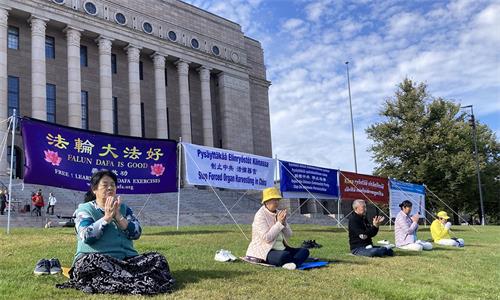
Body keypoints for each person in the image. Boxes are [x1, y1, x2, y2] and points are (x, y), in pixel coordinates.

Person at [56, 170, 175, 295]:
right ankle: (134, 279)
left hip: (125, 261)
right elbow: (87, 236)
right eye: (105, 185)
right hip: (98, 260)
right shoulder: (84, 209)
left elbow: (136, 233)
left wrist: (118, 217)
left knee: (157, 258)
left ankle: (126, 278)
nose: (110, 188)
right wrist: (106, 218)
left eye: (113, 185)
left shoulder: (124, 208)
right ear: (94, 189)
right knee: (91, 261)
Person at [245, 187, 309, 270]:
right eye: (273, 200)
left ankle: (292, 264)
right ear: (266, 202)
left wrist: (284, 222)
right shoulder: (260, 216)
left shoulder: (279, 213)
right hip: (266, 250)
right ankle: (292, 262)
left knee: (304, 251)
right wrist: (279, 223)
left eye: (277, 200)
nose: (276, 202)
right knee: (285, 256)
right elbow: (267, 238)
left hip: (282, 249)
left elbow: (289, 234)